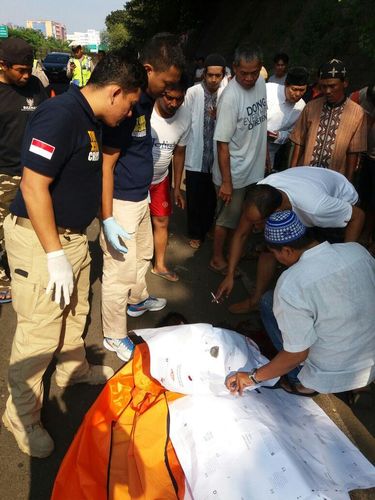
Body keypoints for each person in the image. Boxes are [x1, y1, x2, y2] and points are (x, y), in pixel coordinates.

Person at [2, 53, 146, 458]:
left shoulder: (91, 119)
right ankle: (21, 414)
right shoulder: (60, 115)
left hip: (73, 239)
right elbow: (33, 187)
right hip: (41, 240)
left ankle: (73, 369)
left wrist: (105, 219)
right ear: (115, 92)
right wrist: (52, 255)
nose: (130, 111)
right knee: (40, 330)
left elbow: (91, 173)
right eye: (130, 103)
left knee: (77, 310)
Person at [226, 210, 375, 396]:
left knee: (267, 302)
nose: (277, 259)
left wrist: (252, 377)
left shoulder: (291, 284)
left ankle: (302, 383)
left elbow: (297, 354)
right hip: (369, 366)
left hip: (329, 375)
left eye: (275, 254)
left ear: (287, 250)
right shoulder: (356, 250)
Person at [100, 34, 184, 363]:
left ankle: (137, 300)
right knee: (118, 272)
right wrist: (107, 216)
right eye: (167, 82)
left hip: (140, 197)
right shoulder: (126, 105)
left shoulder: (145, 101)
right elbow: (107, 164)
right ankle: (113, 334)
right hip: (121, 201)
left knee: (142, 256)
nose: (169, 89)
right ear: (149, 70)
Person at [216, 167, 365, 313]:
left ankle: (325, 307)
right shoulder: (262, 194)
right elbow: (241, 234)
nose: (253, 228)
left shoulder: (316, 208)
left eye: (257, 223)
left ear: (277, 213)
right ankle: (256, 301)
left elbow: (358, 217)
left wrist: (346, 260)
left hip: (341, 202)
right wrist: (230, 274)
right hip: (311, 185)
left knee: (324, 263)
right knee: (271, 246)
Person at [210, 44, 267, 274]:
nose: (249, 78)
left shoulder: (261, 84)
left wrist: (265, 159)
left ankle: (235, 251)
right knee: (226, 219)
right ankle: (216, 258)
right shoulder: (230, 97)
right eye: (244, 73)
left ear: (260, 69)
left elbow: (259, 126)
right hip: (233, 173)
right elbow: (222, 143)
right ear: (234, 68)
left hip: (254, 168)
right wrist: (226, 181)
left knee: (246, 216)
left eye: (254, 72)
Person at [0, 37, 48, 304]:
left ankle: (29, 273)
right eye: (20, 70)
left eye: (29, 68)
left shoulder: (35, 85)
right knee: (2, 231)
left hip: (36, 172)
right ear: (3, 65)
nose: (26, 75)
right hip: (4, 174)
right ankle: (1, 278)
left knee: (31, 228)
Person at [290, 59, 367, 181]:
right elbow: (299, 142)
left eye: (332, 86)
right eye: (324, 87)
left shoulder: (357, 112)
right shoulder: (311, 106)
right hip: (304, 176)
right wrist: (291, 174)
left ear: (345, 83)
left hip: (333, 181)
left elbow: (353, 152)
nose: (328, 91)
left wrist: (348, 183)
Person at [150, 74, 191, 282]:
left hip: (160, 180)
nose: (174, 104)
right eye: (169, 97)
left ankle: (159, 265)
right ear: (160, 92)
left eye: (179, 99)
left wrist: (176, 187)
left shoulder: (185, 116)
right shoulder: (144, 110)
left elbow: (179, 152)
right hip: (135, 181)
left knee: (162, 221)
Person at [183, 53, 226, 249]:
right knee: (194, 197)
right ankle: (195, 232)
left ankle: (207, 227)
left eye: (218, 75)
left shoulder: (227, 94)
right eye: (210, 75)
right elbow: (184, 122)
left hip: (217, 157)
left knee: (211, 198)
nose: (214, 79)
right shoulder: (192, 93)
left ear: (223, 75)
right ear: (204, 74)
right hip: (196, 154)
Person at [266, 67, 308, 170]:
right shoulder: (268, 90)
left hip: (270, 155)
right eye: (294, 89)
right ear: (286, 84)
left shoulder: (301, 107)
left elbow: (292, 134)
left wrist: (279, 136)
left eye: (302, 90)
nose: (297, 94)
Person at [350, 84, 375, 254]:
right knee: (362, 195)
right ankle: (357, 231)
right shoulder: (365, 94)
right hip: (366, 155)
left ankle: (368, 236)